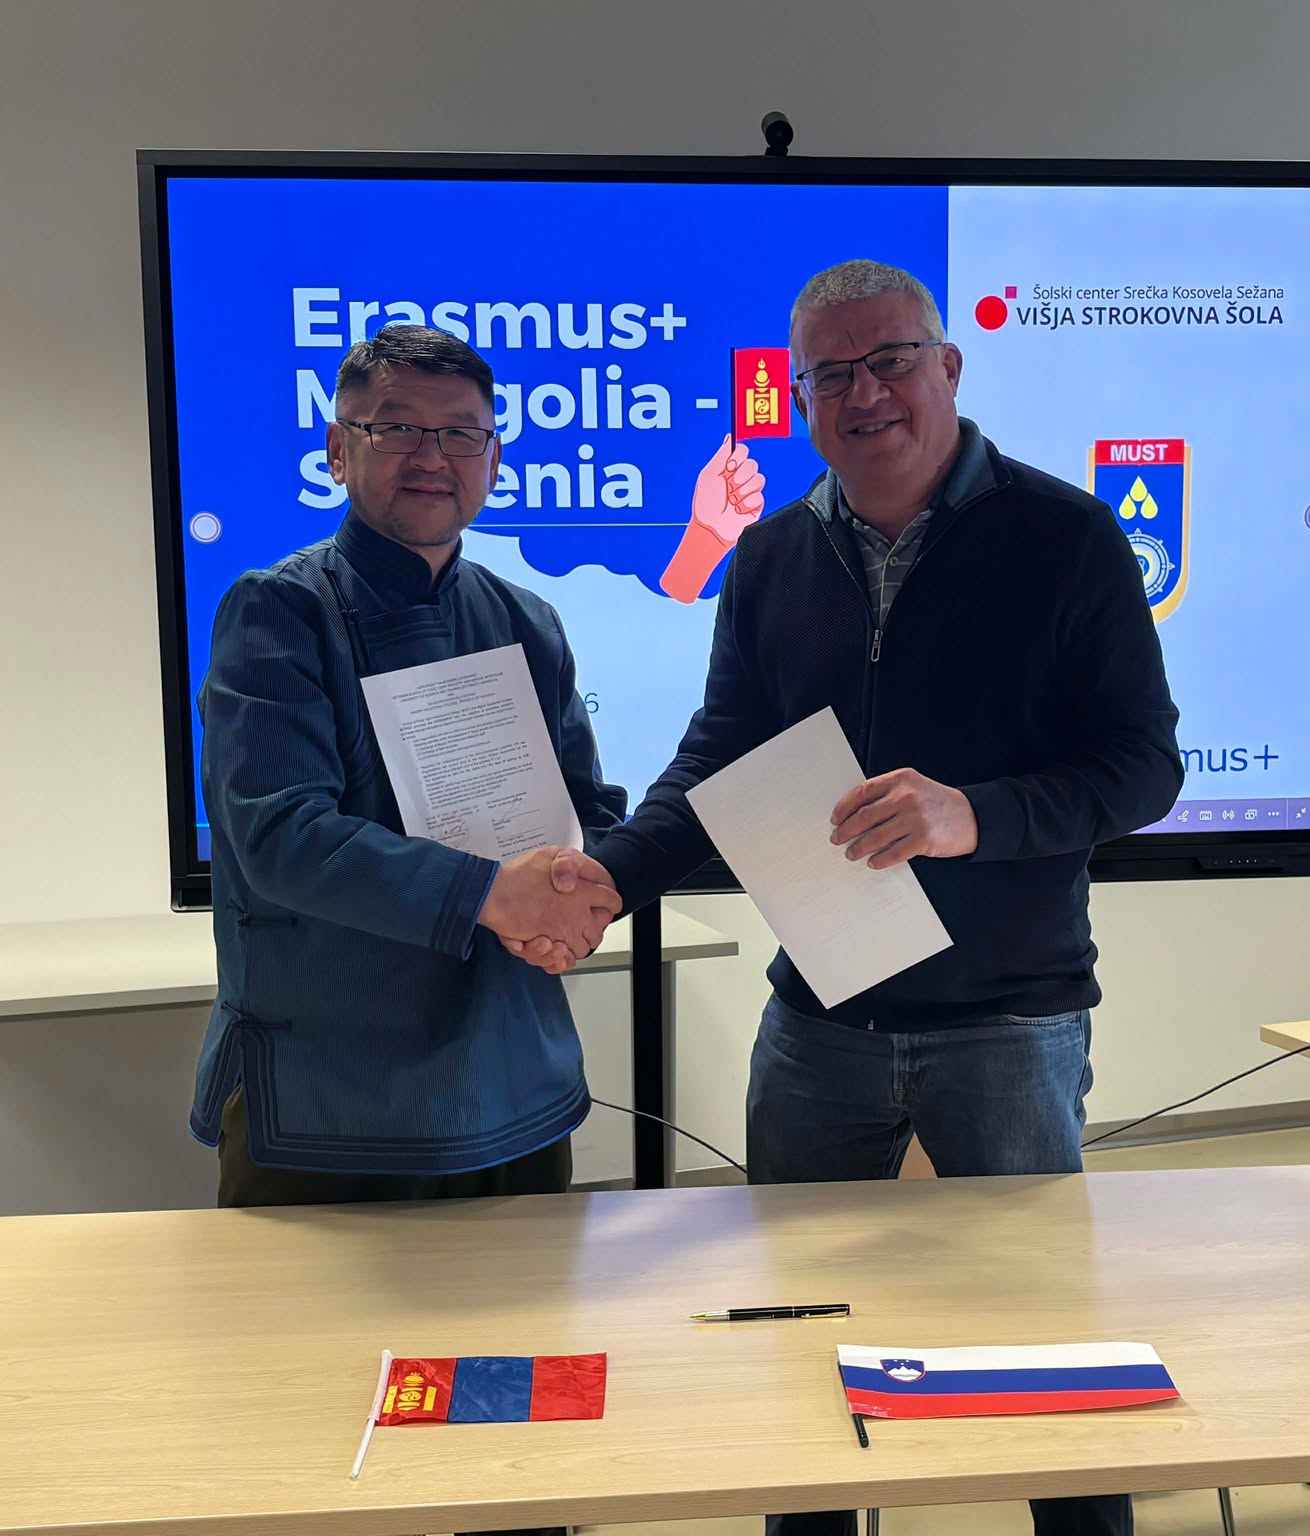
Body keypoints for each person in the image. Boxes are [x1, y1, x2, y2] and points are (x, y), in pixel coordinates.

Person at [515, 260, 1181, 1536]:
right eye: (832, 374)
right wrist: (612, 876)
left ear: (948, 367)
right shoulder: (771, 555)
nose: (864, 393)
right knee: (796, 1344)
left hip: (1008, 1019)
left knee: (1044, 1348)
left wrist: (972, 814)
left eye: (889, 361)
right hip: (817, 1018)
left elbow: (1142, 767)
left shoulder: (1066, 538)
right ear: (802, 399)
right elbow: (719, 755)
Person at [191, 321, 623, 1206]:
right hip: (330, 1097)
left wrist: (581, 895)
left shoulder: (526, 620)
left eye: (461, 433)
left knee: (530, 1303)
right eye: (396, 428)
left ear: (494, 459)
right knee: (306, 1310)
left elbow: (588, 810)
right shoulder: (279, 611)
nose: (431, 457)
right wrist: (496, 894)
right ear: (337, 449)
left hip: (518, 1080)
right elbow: (282, 837)